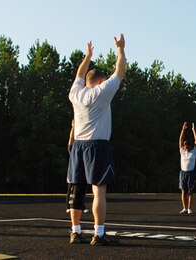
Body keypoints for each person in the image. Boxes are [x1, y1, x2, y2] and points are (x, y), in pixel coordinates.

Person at [67, 34, 126, 246]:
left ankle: (75, 232)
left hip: (78, 146)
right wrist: (120, 50)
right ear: (100, 81)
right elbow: (120, 71)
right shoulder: (101, 92)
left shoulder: (75, 94)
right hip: (97, 145)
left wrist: (88, 56)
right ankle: (99, 234)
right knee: (99, 191)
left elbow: (79, 74)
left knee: (77, 190)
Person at [66, 119, 89, 214]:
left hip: (82, 172)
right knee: (71, 187)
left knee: (82, 187)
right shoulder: (74, 149)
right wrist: (73, 127)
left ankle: (81, 206)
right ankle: (68, 206)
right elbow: (70, 141)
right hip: (74, 173)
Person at [179, 122, 196, 214]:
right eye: (184, 145)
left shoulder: (194, 152)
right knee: (183, 191)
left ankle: (189, 208)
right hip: (183, 173)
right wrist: (183, 129)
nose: (185, 147)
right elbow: (180, 140)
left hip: (191, 173)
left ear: (189, 146)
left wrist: (193, 130)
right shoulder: (182, 152)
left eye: (187, 146)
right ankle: (184, 208)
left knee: (190, 192)